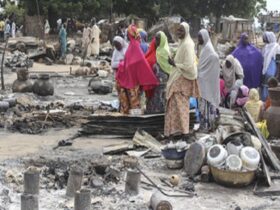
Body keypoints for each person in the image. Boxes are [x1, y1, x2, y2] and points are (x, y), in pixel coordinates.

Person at [164, 22, 200, 140]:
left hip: (182, 78)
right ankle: (175, 131)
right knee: (174, 105)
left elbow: (189, 65)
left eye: (181, 31)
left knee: (181, 106)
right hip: (178, 75)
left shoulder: (187, 45)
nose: (178, 33)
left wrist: (174, 63)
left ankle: (184, 132)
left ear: (187, 31)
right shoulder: (182, 43)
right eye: (178, 30)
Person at [115, 24, 158, 114]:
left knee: (132, 107)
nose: (126, 35)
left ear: (130, 35)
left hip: (132, 83)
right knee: (133, 107)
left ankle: (131, 124)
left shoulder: (134, 47)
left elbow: (139, 63)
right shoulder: (133, 46)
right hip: (132, 82)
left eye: (127, 34)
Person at [197, 29, 220, 130]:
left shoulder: (208, 50)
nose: (198, 39)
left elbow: (214, 59)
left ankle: (208, 126)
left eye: (200, 37)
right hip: (204, 81)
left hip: (208, 82)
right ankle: (206, 125)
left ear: (205, 37)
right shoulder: (204, 49)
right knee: (205, 104)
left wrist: (202, 74)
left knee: (208, 103)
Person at [146, 31, 172, 114]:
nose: (156, 41)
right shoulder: (158, 50)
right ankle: (157, 112)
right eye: (156, 39)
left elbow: (168, 67)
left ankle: (161, 113)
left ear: (163, 40)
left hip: (163, 78)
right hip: (157, 78)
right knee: (157, 95)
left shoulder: (165, 51)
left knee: (162, 95)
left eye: (158, 39)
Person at [261, 31, 280, 101]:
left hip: (272, 71)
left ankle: (270, 102)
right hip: (265, 71)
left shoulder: (277, 48)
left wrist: (277, 75)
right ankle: (265, 102)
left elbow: (278, 63)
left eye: (266, 39)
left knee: (271, 87)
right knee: (265, 87)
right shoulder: (266, 47)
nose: (265, 41)